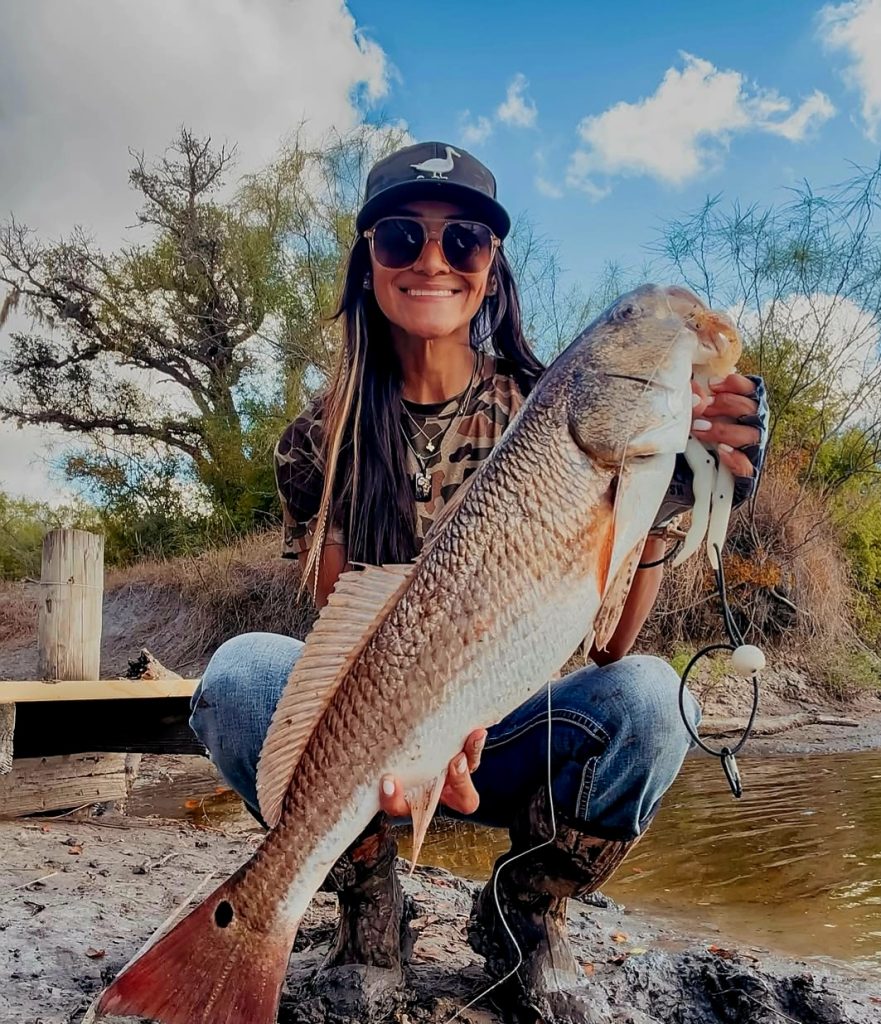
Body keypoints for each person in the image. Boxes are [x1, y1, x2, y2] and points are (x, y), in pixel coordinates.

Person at [190, 141, 768, 1022]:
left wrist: (673, 490)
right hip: (388, 731)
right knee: (236, 677)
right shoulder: (318, 436)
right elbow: (341, 621)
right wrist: (421, 736)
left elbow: (609, 644)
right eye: (399, 238)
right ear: (368, 262)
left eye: (462, 240)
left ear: (490, 267)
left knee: (653, 698)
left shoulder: (546, 402)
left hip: (519, 726)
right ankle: (362, 907)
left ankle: (526, 913)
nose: (432, 260)